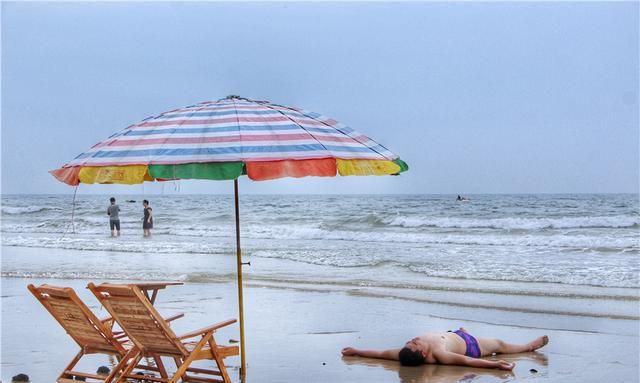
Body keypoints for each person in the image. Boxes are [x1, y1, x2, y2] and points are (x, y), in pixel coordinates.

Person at [341, 327, 548, 371]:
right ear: (423, 354)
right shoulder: (439, 355)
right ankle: (529, 346)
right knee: (500, 345)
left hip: (454, 333)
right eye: (414, 343)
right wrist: (496, 366)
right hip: (472, 345)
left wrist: (356, 350)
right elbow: (467, 361)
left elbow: (378, 353)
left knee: (499, 344)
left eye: (410, 342)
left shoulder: (402, 353)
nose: (411, 339)